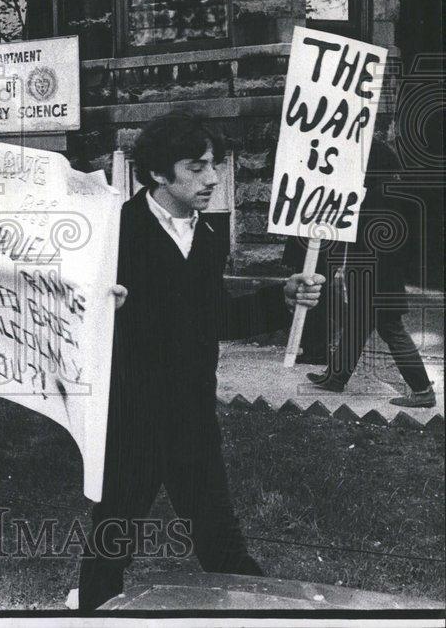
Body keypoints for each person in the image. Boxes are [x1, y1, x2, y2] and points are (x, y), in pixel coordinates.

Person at [74, 111, 324, 612]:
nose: (212, 179)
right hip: (132, 423)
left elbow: (215, 319)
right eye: (196, 167)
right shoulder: (112, 233)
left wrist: (283, 297)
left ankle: (268, 615)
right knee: (111, 545)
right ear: (160, 174)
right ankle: (91, 612)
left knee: (221, 542)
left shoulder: (207, 238)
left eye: (214, 166)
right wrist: (97, 311)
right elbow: (63, 314)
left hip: (191, 418)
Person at [297, 140, 435, 408]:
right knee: (358, 325)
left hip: (377, 278)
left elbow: (368, 242)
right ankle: (336, 377)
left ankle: (422, 390)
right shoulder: (392, 193)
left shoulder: (376, 197)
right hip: (379, 275)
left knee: (391, 329)